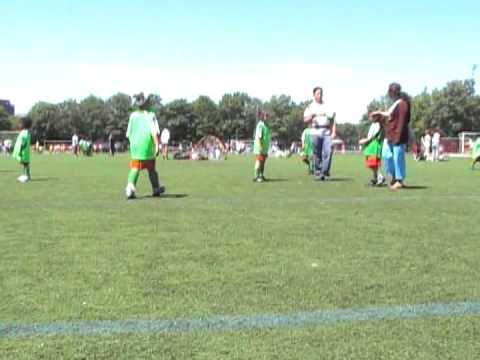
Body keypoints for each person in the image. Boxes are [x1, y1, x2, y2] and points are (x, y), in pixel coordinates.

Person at [371, 83, 411, 190]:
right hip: (389, 136)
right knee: (386, 156)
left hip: (398, 136)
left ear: (396, 92)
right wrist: (378, 115)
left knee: (398, 157)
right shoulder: (393, 104)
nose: (390, 94)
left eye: (391, 92)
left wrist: (398, 136)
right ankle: (393, 176)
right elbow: (388, 116)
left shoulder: (402, 104)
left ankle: (399, 180)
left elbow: (402, 121)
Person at [125, 93, 165, 199]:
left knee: (135, 168)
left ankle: (130, 188)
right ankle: (156, 188)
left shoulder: (132, 116)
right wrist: (157, 145)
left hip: (136, 148)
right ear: (147, 103)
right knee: (151, 169)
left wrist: (133, 144)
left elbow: (128, 134)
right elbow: (154, 131)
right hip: (148, 146)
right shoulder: (150, 115)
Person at [303, 86, 336, 180]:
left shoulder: (327, 106)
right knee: (317, 154)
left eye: (321, 93)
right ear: (314, 95)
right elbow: (305, 119)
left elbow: (333, 119)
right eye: (318, 93)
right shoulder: (310, 106)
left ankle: (324, 172)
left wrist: (333, 131)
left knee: (328, 151)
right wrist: (312, 116)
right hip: (315, 132)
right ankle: (318, 171)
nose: (320, 95)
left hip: (326, 132)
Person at [359, 115, 385, 186]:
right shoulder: (377, 124)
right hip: (374, 144)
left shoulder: (376, 125)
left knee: (374, 162)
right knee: (373, 163)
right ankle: (376, 178)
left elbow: (371, 137)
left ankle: (380, 176)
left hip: (374, 144)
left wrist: (363, 141)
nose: (369, 118)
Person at [12, 117, 32, 182]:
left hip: (23, 151)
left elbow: (23, 142)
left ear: (24, 124)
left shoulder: (25, 132)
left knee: (25, 164)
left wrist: (20, 150)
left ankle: (26, 176)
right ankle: (26, 175)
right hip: (25, 151)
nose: (19, 125)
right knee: (25, 164)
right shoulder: (26, 132)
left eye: (20, 123)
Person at [253, 110, 271, 182]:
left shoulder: (266, 125)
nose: (267, 117)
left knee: (263, 162)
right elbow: (259, 137)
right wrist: (260, 146)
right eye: (266, 116)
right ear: (262, 117)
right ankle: (256, 176)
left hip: (265, 148)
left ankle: (261, 175)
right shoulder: (260, 125)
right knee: (259, 161)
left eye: (267, 116)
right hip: (260, 147)